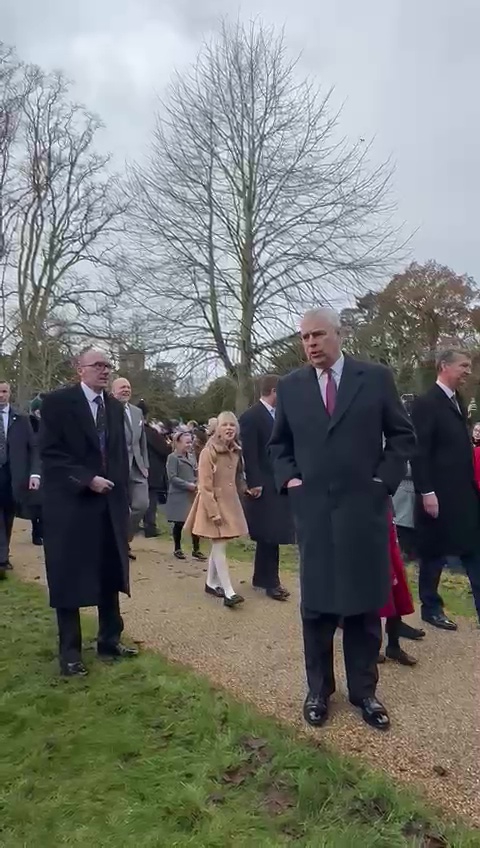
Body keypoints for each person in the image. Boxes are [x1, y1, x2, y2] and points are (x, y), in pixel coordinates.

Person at [269, 308, 415, 731]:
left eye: (318, 335)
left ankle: (365, 692)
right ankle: (318, 691)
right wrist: (290, 479)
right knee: (315, 608)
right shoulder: (291, 387)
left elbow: (403, 436)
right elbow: (279, 446)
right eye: (304, 337)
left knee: (363, 607)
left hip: (362, 511)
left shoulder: (375, 378)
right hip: (313, 513)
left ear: (338, 334)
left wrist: (382, 480)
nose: (311, 344)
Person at [40, 349, 137, 677]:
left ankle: (109, 640)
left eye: (108, 365)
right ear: (79, 369)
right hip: (71, 505)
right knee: (68, 577)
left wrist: (121, 496)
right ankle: (70, 653)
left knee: (109, 571)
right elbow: (50, 454)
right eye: (98, 365)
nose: (105, 370)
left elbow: (119, 456)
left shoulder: (113, 406)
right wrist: (86, 479)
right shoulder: (57, 404)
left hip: (108, 505)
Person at [411, 348, 480, 630]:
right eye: (463, 366)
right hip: (438, 494)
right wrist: (426, 492)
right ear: (444, 367)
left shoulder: (458, 401)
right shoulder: (427, 404)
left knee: (474, 549)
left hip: (463, 492)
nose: (468, 371)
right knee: (434, 553)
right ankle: (430, 606)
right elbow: (419, 451)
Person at [185, 411, 248, 607]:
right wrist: (214, 512)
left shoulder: (236, 450)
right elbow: (204, 486)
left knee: (219, 545)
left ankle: (211, 583)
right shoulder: (208, 452)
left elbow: (237, 477)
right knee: (220, 546)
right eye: (225, 425)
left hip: (230, 503)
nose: (229, 428)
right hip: (212, 504)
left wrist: (246, 489)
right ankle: (229, 592)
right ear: (217, 429)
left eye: (232, 425)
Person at [239, 374, 293, 601]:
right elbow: (249, 452)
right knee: (269, 532)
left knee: (270, 533)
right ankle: (271, 582)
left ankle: (261, 577)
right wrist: (254, 482)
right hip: (263, 484)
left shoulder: (279, 415)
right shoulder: (252, 416)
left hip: (277, 482)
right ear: (273, 391)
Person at [0, 381, 40, 578]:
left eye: (4, 391)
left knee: (8, 516)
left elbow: (33, 448)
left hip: (14, 475)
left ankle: (3, 553)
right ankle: (2, 559)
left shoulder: (21, 420)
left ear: (9, 393)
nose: (1, 395)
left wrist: (34, 474)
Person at [111, 377, 149, 560]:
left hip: (137, 467)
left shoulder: (137, 412)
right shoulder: (107, 410)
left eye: (128, 387)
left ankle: (125, 539)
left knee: (142, 505)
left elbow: (142, 442)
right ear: (113, 391)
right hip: (115, 466)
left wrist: (145, 465)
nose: (126, 390)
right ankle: (117, 546)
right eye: (122, 387)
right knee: (117, 509)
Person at [378, 514, 418, 666]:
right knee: (372, 587)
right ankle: (371, 648)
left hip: (384, 517)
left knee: (396, 588)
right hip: (364, 520)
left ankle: (394, 646)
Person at [166, 430, 205, 560]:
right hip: (179, 494)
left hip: (192, 493)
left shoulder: (192, 456)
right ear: (178, 443)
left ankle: (196, 549)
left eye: (190, 442)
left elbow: (196, 472)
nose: (189, 445)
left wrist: (198, 482)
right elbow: (172, 477)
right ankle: (177, 548)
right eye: (187, 442)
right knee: (179, 522)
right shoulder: (173, 457)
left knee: (195, 521)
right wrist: (187, 485)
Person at [139, 403, 171, 537]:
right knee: (151, 501)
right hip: (152, 470)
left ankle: (136, 525)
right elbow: (165, 450)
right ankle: (150, 528)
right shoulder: (150, 432)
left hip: (137, 469)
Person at [28, 395, 44, 546]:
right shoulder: (29, 425)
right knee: (36, 502)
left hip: (48, 466)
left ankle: (43, 530)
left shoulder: (50, 424)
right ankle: (36, 532)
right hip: (34, 466)